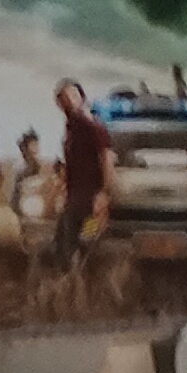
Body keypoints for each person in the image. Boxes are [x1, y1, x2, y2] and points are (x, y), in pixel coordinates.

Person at [49, 78, 113, 263]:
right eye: (64, 97)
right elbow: (72, 165)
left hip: (90, 201)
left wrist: (103, 193)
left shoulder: (92, 127)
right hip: (75, 199)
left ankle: (77, 276)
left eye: (74, 95)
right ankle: (68, 277)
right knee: (63, 244)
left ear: (82, 98)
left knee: (86, 246)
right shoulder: (71, 130)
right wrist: (59, 188)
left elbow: (107, 160)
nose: (69, 100)